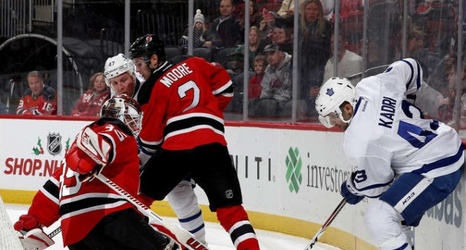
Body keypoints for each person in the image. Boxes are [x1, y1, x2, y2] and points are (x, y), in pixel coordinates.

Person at [315, 58, 464, 250]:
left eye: (333, 117)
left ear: (347, 108)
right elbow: (411, 66)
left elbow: (377, 185)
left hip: (437, 165)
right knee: (397, 218)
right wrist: (419, 102)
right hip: (441, 145)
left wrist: (353, 187)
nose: (333, 123)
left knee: (378, 218)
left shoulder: (358, 140)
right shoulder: (372, 85)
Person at [132, 34, 261, 250]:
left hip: (175, 149)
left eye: (139, 63)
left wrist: (135, 164)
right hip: (212, 144)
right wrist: (206, 112)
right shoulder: (193, 62)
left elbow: (151, 141)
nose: (138, 70)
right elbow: (226, 88)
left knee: (137, 201)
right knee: (231, 210)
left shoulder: (150, 89)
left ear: (153, 60)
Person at [13, 94, 178, 250]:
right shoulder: (115, 130)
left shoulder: (76, 154)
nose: (135, 125)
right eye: (133, 119)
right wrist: (95, 154)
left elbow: (53, 188)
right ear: (122, 116)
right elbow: (108, 139)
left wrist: (34, 220)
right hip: (109, 217)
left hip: (75, 234)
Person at [105, 49, 208, 244]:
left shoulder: (151, 89)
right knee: (132, 203)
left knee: (180, 191)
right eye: (115, 83)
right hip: (144, 155)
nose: (121, 87)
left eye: (124, 80)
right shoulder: (113, 105)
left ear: (131, 73)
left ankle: (199, 243)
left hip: (170, 148)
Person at [298, 0, 332, 119]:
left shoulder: (326, 26)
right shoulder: (299, 26)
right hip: (302, 65)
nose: (311, 12)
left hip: (319, 65)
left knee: (314, 94)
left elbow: (325, 48)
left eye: (315, 9)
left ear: (320, 12)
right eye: (308, 9)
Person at [252, 43, 292, 117]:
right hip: (273, 103)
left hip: (286, 102)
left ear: (281, 53)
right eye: (267, 55)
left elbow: (291, 91)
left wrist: (275, 102)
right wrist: (262, 101)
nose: (269, 57)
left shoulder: (291, 65)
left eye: (272, 53)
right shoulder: (269, 68)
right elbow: (265, 89)